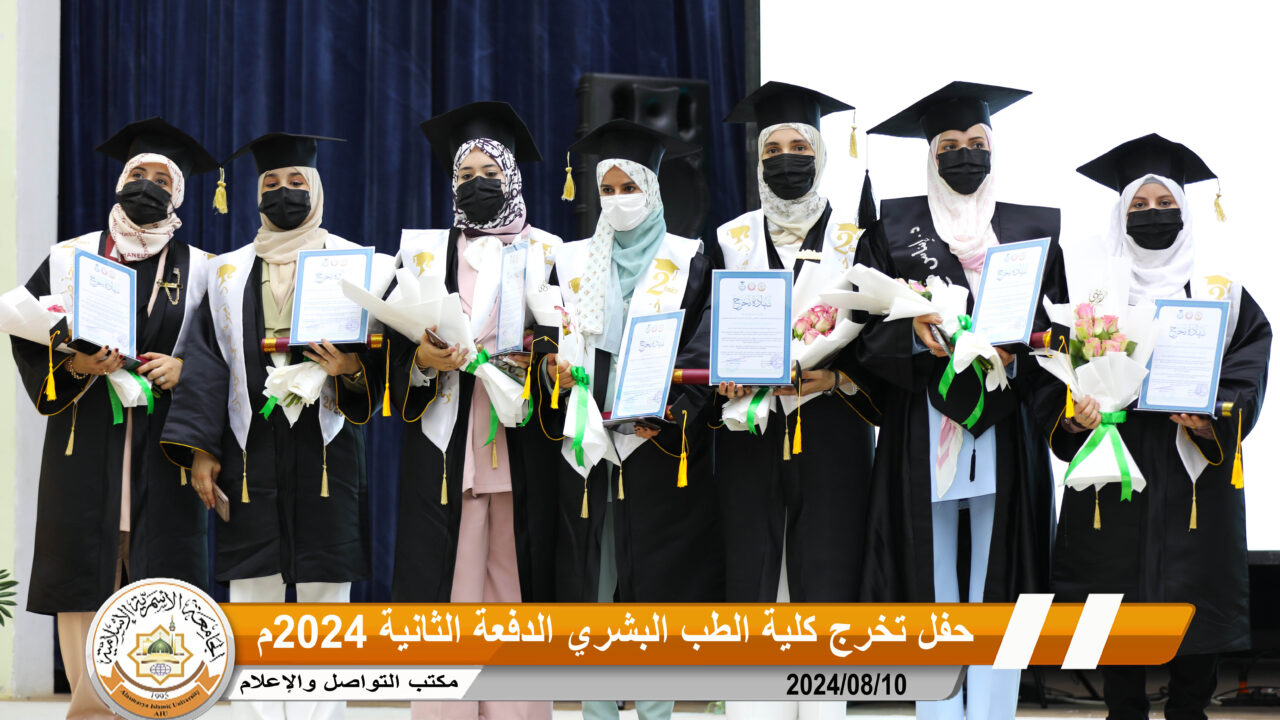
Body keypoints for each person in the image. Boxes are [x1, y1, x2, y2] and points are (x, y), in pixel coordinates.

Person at [854, 82, 1067, 720]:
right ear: (930, 155)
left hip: (1006, 425)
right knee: (932, 577)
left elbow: (1055, 327)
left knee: (997, 583)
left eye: (976, 142)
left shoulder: (1032, 231)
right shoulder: (893, 229)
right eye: (949, 145)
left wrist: (1022, 349)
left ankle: (994, 711)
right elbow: (863, 330)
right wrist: (912, 335)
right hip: (925, 426)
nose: (964, 155)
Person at [160, 132, 392, 720]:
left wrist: (350, 369)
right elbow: (207, 361)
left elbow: (385, 351)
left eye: (295, 183)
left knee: (325, 587)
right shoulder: (227, 271)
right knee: (253, 584)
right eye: (270, 183)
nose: (283, 193)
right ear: (254, 193)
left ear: (316, 190)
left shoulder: (358, 264)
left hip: (327, 442)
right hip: (250, 442)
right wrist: (202, 450)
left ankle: (321, 715)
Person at [1045, 134, 1270, 720]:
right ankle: (1123, 710)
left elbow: (1249, 361)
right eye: (1139, 206)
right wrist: (1074, 414)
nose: (1153, 215)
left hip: (1190, 463)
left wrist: (1214, 416)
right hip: (1116, 458)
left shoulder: (1222, 291)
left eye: (1165, 204)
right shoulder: (1090, 292)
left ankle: (1190, 710)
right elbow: (1057, 372)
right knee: (1115, 596)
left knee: (1194, 593)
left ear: (1185, 211)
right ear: (1120, 216)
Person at [9, 117, 217, 720]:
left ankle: (158, 701)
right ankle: (91, 708)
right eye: (138, 173)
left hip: (163, 439)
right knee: (82, 568)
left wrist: (185, 369)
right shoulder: (69, 255)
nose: (147, 185)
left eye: (162, 179)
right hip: (85, 434)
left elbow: (220, 353)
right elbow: (28, 332)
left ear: (178, 194)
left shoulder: (203, 267)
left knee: (162, 571)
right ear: (120, 181)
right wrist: (76, 362)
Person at [385, 101, 562, 720]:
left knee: (512, 574)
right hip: (448, 430)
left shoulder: (545, 249)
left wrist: (538, 359)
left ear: (512, 176)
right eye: (465, 175)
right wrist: (422, 358)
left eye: (490, 172)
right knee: (452, 576)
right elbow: (392, 339)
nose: (476, 183)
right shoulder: (424, 251)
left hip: (519, 434)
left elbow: (563, 338)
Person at [712, 81, 879, 720]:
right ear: (758, 162)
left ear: (820, 154)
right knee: (754, 569)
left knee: (828, 569)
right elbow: (704, 326)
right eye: (773, 150)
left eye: (799, 148)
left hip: (832, 426)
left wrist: (836, 379)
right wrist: (723, 373)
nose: (787, 161)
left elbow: (879, 335)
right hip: (751, 430)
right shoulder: (731, 236)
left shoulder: (858, 236)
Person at [545, 119, 722, 720]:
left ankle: (654, 709)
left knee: (658, 584)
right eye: (608, 189)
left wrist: (671, 416)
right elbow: (548, 340)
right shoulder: (571, 262)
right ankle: (596, 709)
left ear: (653, 189)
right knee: (593, 582)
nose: (619, 200)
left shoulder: (689, 259)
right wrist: (553, 372)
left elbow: (701, 349)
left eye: (630, 188)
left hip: (657, 443)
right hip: (589, 439)